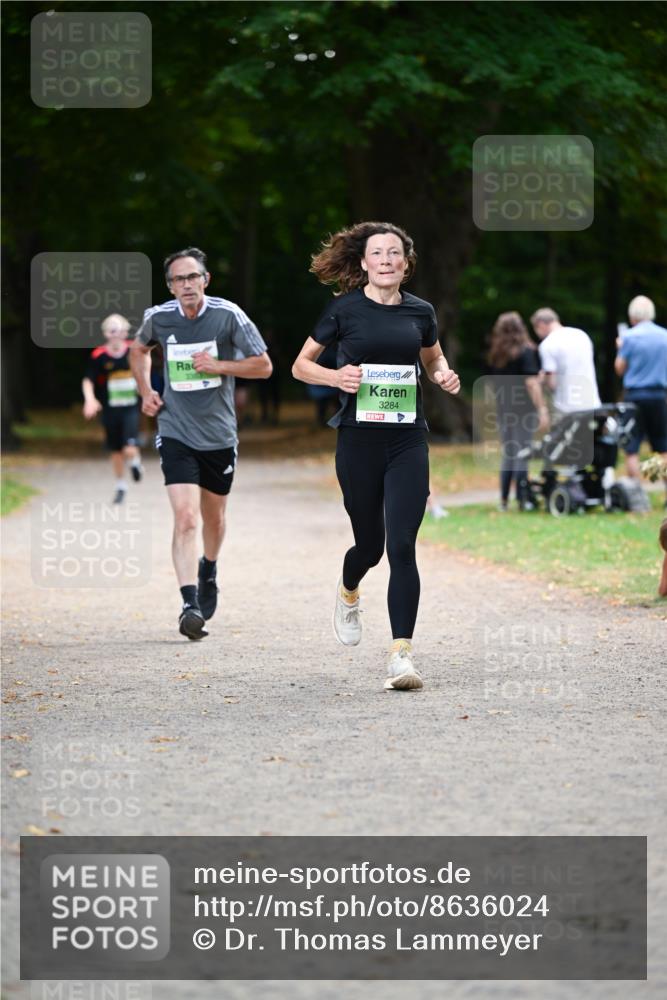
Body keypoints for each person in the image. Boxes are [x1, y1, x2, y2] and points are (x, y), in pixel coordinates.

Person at [292, 221, 460, 692]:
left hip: (407, 440)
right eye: (377, 253)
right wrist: (335, 377)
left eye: (394, 253)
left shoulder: (420, 312)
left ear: (405, 264)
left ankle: (401, 655)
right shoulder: (343, 309)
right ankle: (349, 592)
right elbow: (300, 364)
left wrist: (445, 375)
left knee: (402, 545)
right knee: (370, 546)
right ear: (364, 263)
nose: (386, 260)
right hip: (358, 440)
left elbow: (433, 359)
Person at [129, 247, 272, 641]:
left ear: (206, 280)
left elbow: (264, 365)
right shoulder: (158, 318)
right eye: (178, 279)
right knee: (186, 518)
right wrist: (145, 390)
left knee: (214, 518)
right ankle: (189, 604)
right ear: (170, 286)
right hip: (175, 429)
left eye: (193, 277)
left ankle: (209, 567)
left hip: (219, 434)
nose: (186, 285)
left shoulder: (228, 315)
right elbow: (138, 349)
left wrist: (219, 366)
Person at [486, 311, 549, 511]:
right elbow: (530, 383)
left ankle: (504, 500)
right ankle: (524, 500)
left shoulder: (496, 354)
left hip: (504, 410)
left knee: (509, 454)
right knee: (522, 452)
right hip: (524, 410)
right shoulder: (526, 351)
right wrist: (542, 408)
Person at [82, 313, 143, 504]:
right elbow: (88, 381)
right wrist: (90, 400)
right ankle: (120, 485)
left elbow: (146, 370)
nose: (116, 334)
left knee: (129, 448)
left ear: (126, 332)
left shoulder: (134, 350)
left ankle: (134, 462)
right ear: (106, 333)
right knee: (116, 450)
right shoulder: (99, 355)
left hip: (131, 408)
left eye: (119, 330)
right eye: (111, 330)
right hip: (110, 409)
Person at [614, 295, 667, 503]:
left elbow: (620, 368)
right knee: (663, 447)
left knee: (631, 448)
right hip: (658, 395)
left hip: (634, 397)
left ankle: (637, 497)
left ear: (632, 315)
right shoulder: (664, 336)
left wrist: (620, 349)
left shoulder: (629, 337)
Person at [530, 307, 601, 416]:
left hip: (567, 407)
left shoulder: (547, 344)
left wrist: (542, 379)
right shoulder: (581, 335)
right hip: (592, 402)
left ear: (541, 325)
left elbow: (552, 383)